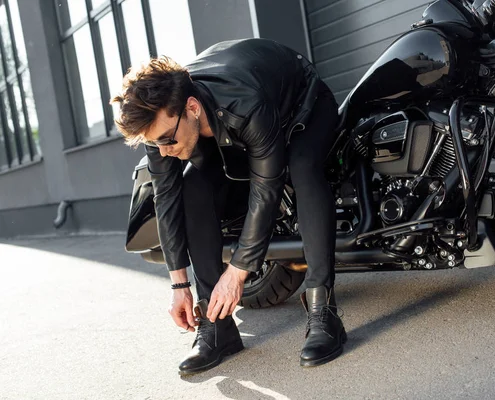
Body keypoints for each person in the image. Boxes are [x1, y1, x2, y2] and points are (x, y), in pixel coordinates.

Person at [111, 38, 346, 375]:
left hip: (302, 103)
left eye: (166, 140)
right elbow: (166, 199)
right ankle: (217, 328)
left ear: (191, 108)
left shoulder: (245, 103)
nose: (162, 151)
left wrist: (236, 273)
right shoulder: (160, 125)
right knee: (190, 187)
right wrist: (179, 286)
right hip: (231, 126)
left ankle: (324, 312)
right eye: (153, 144)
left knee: (303, 166)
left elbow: (266, 190)